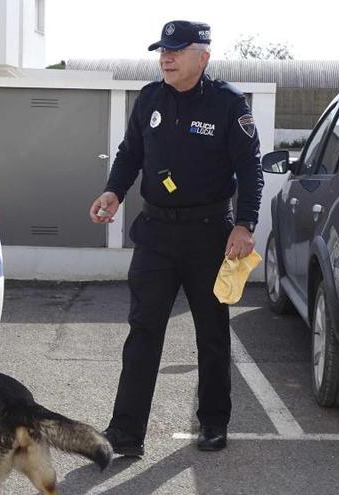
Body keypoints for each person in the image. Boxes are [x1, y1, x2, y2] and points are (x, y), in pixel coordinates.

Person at [88, 20, 263, 455]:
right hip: (156, 235)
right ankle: (126, 433)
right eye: (162, 50)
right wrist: (113, 190)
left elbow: (250, 169)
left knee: (212, 334)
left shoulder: (227, 103)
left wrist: (245, 225)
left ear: (202, 56)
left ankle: (213, 423)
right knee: (143, 332)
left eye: (176, 50)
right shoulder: (149, 98)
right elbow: (131, 153)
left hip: (210, 237)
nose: (165, 57)